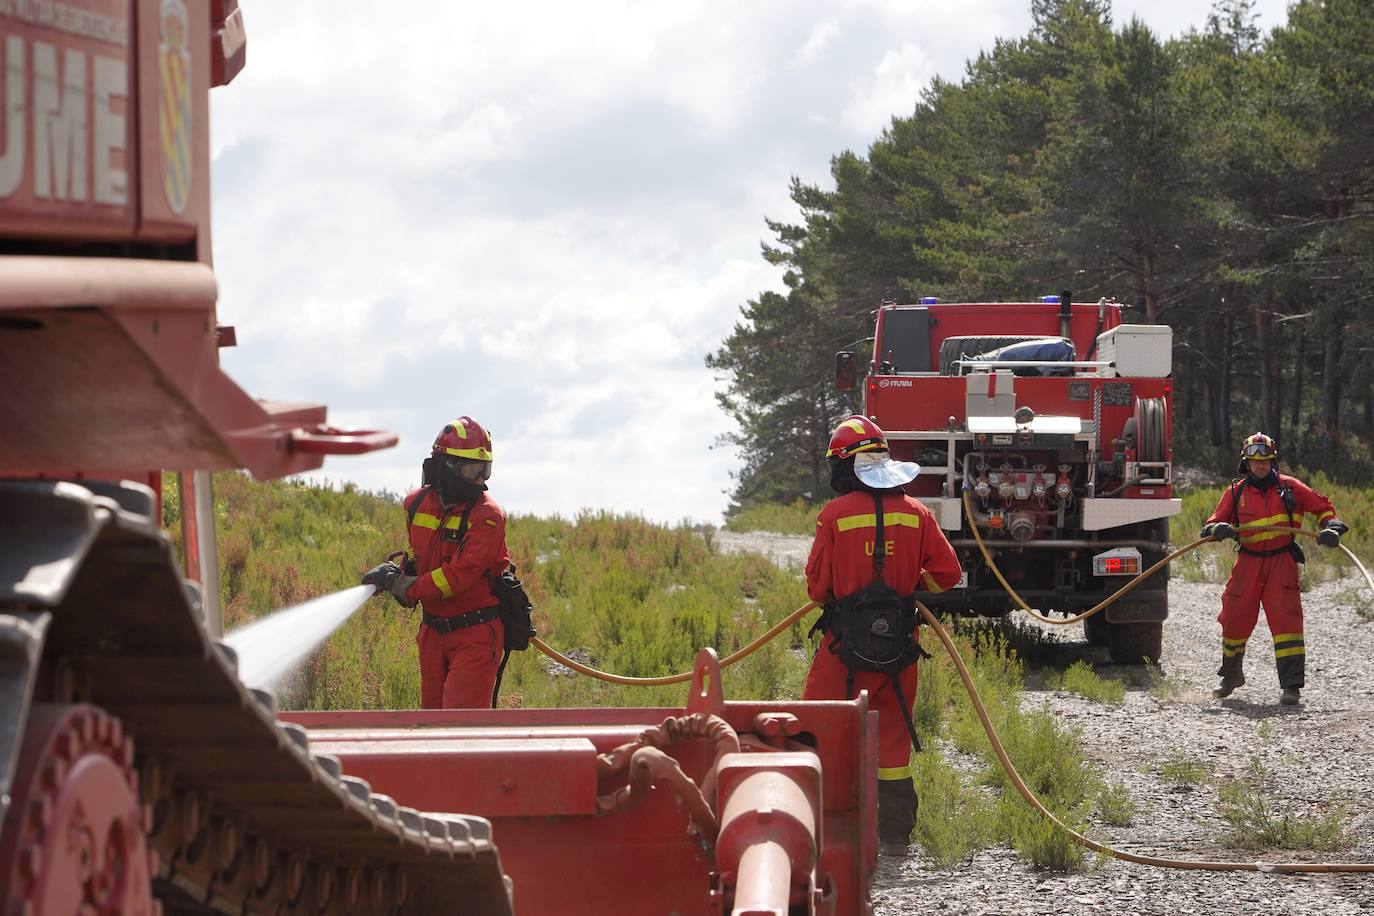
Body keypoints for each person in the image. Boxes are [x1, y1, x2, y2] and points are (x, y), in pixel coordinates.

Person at [802, 415, 962, 856]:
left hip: (841, 650)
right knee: (892, 742)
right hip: (898, 650)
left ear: (844, 466)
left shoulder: (834, 515)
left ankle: (829, 830)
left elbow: (817, 589)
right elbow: (949, 574)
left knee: (820, 727)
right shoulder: (916, 512)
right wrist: (909, 592)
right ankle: (893, 839)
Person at [362, 416, 511, 709]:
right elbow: (425, 561)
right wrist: (399, 574)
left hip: (475, 635)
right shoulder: (416, 505)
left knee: (460, 729)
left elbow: (458, 576)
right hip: (432, 633)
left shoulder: (488, 516)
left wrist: (407, 587)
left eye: (486, 470)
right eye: (473, 470)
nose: (481, 480)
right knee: (431, 724)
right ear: (446, 467)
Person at [1199, 432, 1347, 706]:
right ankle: (1231, 675)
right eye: (1255, 462)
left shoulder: (1290, 487)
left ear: (1273, 461)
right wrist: (1217, 528)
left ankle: (1291, 687)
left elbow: (1324, 508)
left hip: (1282, 563)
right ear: (1246, 463)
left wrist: (1331, 528)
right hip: (1248, 562)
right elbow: (1210, 524)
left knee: (1287, 623)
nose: (1260, 466)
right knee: (1233, 618)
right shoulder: (1235, 492)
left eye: (1265, 460)